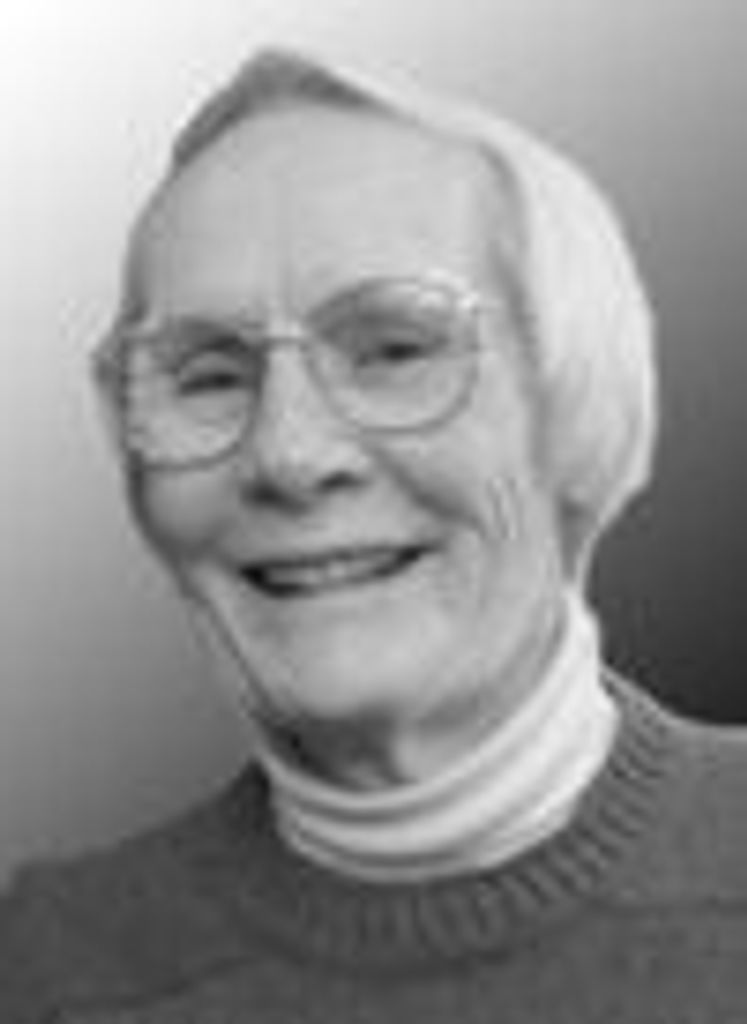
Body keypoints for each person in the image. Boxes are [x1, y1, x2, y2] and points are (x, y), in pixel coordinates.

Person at [2, 46, 747, 1022]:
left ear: (573, 406)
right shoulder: (50, 968)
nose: (289, 454)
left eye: (394, 350)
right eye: (209, 375)